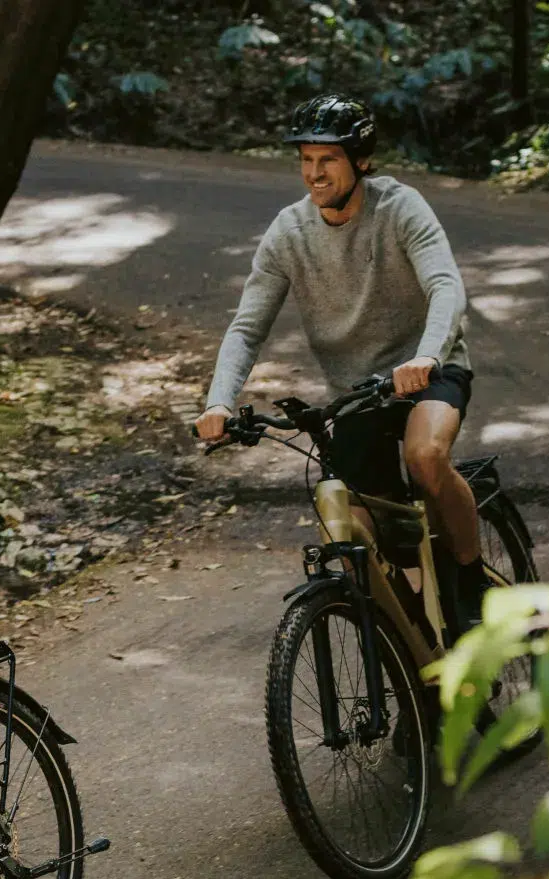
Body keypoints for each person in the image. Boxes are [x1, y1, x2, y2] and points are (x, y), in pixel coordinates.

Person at [196, 94, 486, 627]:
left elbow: (445, 285)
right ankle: (405, 638)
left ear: (361, 161)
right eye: (306, 159)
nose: (314, 173)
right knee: (351, 536)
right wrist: (219, 402)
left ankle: (470, 582)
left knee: (425, 457)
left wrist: (426, 354)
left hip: (429, 367)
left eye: (328, 159)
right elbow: (247, 327)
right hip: (358, 392)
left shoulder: (399, 208)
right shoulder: (290, 232)